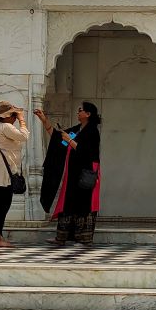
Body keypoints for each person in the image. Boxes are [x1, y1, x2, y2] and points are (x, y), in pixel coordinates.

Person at [36, 101, 102, 247]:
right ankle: (62, 237)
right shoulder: (77, 129)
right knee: (68, 201)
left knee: (84, 204)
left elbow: (86, 152)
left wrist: (69, 140)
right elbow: (58, 139)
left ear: (88, 114)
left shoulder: (92, 131)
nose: (78, 112)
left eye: (81, 110)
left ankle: (83, 239)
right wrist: (44, 120)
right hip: (73, 173)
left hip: (87, 173)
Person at [0, 101, 28, 248]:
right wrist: (22, 120)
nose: (15, 118)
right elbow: (24, 136)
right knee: (1, 204)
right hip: (3, 172)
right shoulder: (6, 127)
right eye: (13, 115)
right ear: (7, 115)